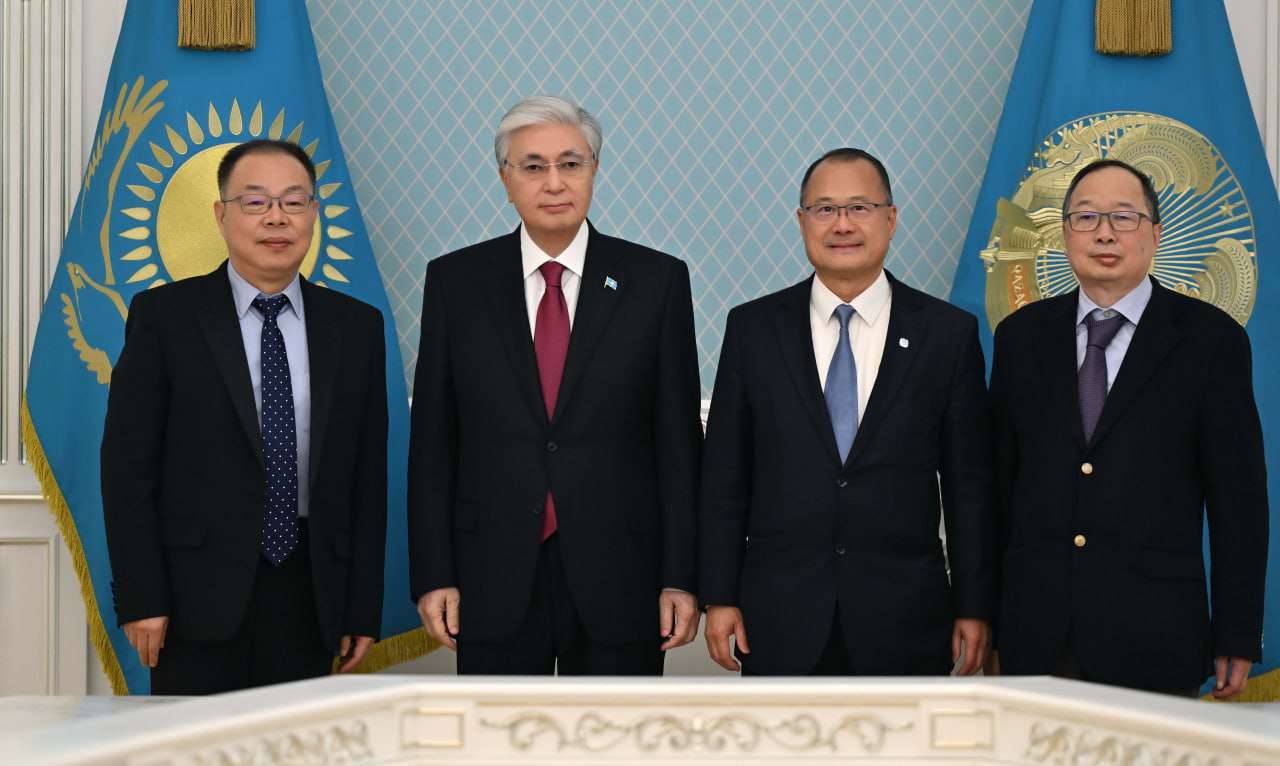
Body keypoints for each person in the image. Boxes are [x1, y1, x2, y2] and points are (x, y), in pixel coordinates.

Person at [408, 96, 703, 675]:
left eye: (571, 164)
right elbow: (434, 443)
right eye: (533, 166)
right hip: (491, 571)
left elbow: (678, 444)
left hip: (624, 573)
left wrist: (681, 576)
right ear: (505, 179)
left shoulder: (657, 281)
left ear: (594, 170)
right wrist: (434, 573)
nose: (554, 182)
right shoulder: (455, 282)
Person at [101, 139, 388, 694]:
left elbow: (367, 479)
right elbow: (127, 469)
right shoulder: (165, 317)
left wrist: (361, 606)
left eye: (293, 202)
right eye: (255, 202)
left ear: (313, 213)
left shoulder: (355, 327)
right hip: (192, 596)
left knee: (298, 738)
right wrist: (142, 597)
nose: (276, 218)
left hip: (311, 592)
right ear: (221, 214)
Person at [698, 147, 994, 676]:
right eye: (824, 209)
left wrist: (973, 605)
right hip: (777, 615)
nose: (842, 224)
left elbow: (968, 486)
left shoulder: (946, 334)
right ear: (801, 221)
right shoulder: (754, 329)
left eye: (859, 207)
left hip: (906, 617)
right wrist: (719, 595)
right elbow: (725, 476)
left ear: (891, 218)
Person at [989, 159, 1268, 698]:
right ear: (1065, 233)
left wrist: (1237, 630)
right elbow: (999, 489)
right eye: (1086, 217)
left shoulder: (1212, 341)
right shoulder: (1020, 337)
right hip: (1034, 632)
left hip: (1155, 634)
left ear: (1156, 233)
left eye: (1123, 217)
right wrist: (988, 616)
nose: (1104, 233)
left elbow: (1239, 502)